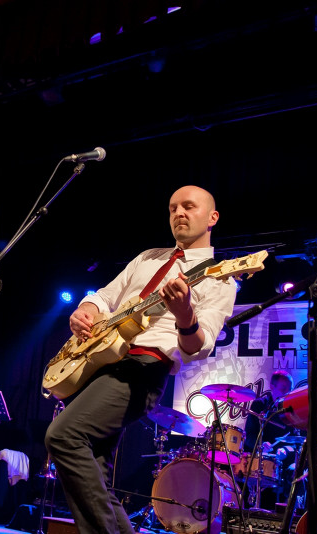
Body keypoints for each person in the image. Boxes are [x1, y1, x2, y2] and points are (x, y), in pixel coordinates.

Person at [44, 185, 237, 533]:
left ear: (213, 217)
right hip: (101, 363)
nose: (179, 213)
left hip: (143, 368)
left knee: (63, 436)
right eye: (172, 208)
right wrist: (85, 310)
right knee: (96, 472)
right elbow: (105, 296)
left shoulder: (219, 279)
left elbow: (199, 347)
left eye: (188, 206)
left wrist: (185, 315)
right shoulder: (148, 257)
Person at [242, 369, 296, 509]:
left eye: (289, 389)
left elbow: (297, 440)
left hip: (281, 463)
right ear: (272, 386)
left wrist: (285, 450)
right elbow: (249, 435)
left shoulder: (293, 409)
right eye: (283, 389)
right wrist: (260, 444)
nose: (287, 393)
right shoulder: (259, 405)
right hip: (258, 460)